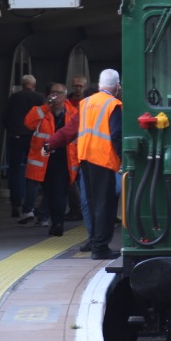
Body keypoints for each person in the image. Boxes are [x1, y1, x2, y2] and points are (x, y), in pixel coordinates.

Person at [47, 69, 121, 260]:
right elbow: (116, 135)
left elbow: (69, 130)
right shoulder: (114, 104)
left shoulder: (86, 103)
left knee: (93, 204)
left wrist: (50, 143)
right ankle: (100, 247)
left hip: (85, 160)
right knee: (105, 205)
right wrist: (125, 159)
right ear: (117, 86)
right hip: (104, 160)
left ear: (98, 84)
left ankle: (95, 243)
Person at [24, 83, 79, 236]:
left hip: (64, 159)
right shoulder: (41, 111)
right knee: (48, 191)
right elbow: (29, 123)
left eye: (59, 93)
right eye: (53, 92)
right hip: (45, 158)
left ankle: (57, 222)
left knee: (60, 192)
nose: (55, 95)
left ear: (65, 96)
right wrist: (46, 106)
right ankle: (48, 218)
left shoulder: (73, 113)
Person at [4, 75, 44, 218]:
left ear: (22, 85)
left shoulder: (14, 98)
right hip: (33, 138)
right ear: (34, 85)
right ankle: (30, 204)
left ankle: (16, 203)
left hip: (16, 137)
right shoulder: (39, 98)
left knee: (14, 171)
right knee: (33, 171)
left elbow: (6, 117)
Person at [64, 74, 89, 219]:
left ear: (85, 87)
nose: (77, 88)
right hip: (71, 147)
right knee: (71, 179)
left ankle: (81, 208)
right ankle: (76, 208)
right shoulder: (68, 102)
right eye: (75, 86)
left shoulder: (88, 102)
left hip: (84, 146)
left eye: (80, 86)